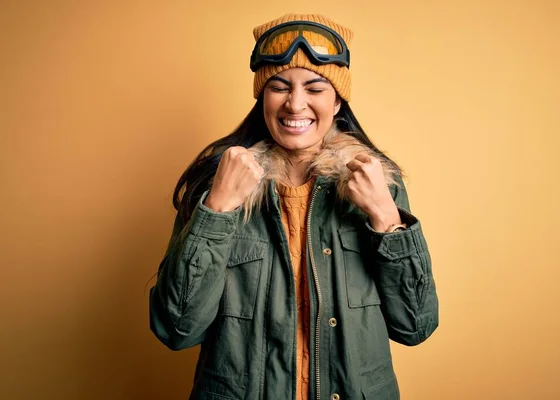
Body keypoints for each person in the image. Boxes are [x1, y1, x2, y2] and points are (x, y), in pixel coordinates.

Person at [149, 13, 439, 400]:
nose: (295, 104)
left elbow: (415, 325)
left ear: (337, 102)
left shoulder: (378, 184)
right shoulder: (218, 183)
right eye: (279, 86)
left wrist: (386, 218)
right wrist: (218, 210)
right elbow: (177, 329)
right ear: (262, 98)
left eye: (315, 88)